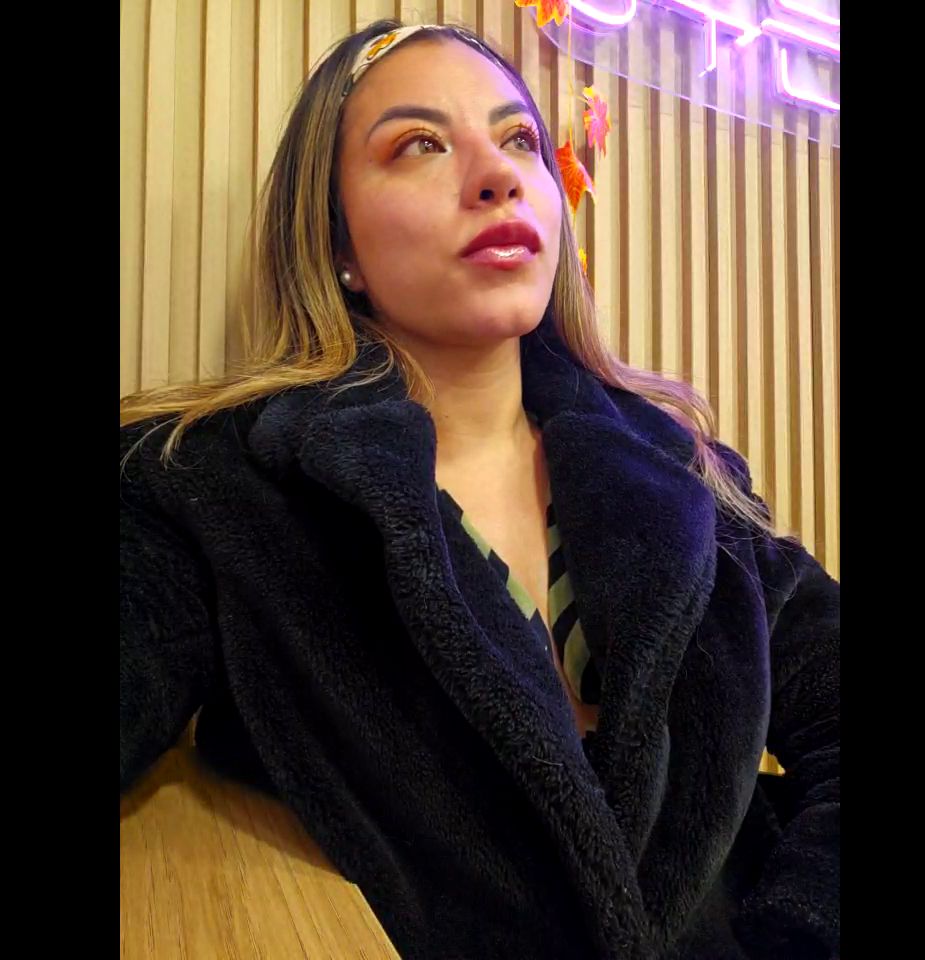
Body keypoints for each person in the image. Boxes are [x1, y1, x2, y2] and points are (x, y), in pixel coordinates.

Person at [120, 19, 839, 960]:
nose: (497, 175)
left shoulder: (682, 471)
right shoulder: (209, 485)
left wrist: (800, 932)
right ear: (337, 244)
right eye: (419, 144)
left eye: (519, 140)